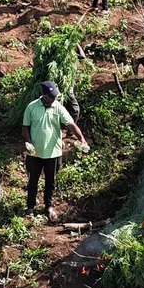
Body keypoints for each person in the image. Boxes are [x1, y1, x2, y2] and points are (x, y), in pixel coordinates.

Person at [22, 80, 89, 223]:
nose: (54, 99)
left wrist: (81, 138)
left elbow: (71, 124)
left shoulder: (58, 108)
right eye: (51, 97)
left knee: (50, 181)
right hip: (34, 153)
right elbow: (25, 127)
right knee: (32, 181)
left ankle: (48, 206)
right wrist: (28, 142)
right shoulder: (31, 107)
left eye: (55, 97)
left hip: (53, 153)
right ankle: (30, 207)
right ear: (44, 96)